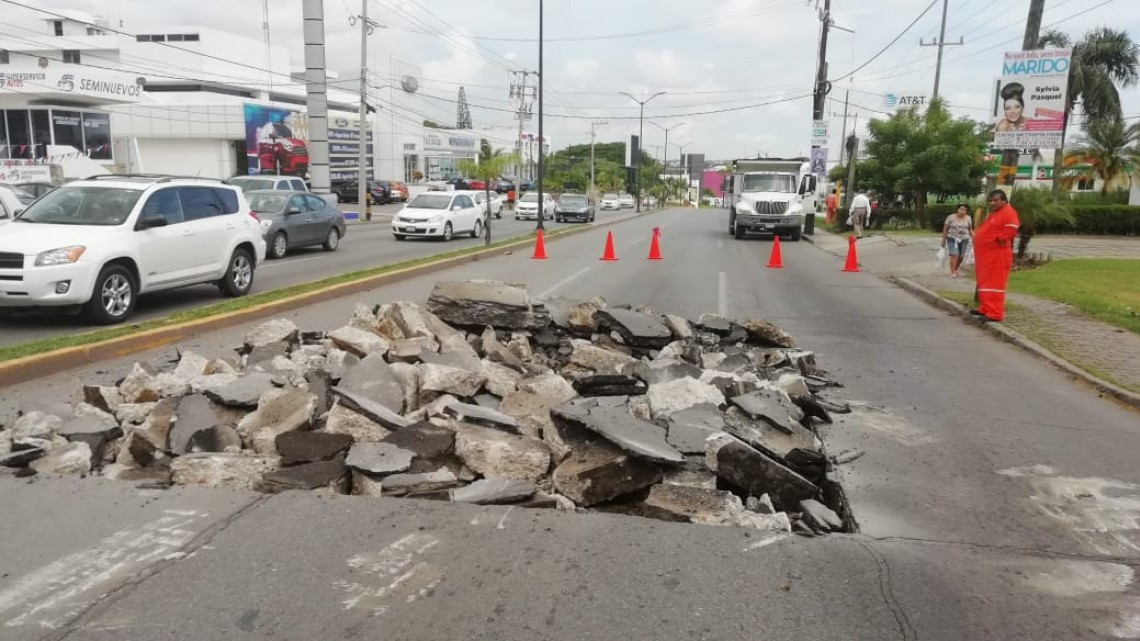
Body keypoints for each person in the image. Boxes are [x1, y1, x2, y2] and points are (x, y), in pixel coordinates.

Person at [971, 189, 1020, 322]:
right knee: (984, 281)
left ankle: (995, 312)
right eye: (990, 201)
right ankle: (985, 308)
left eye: (996, 200)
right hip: (986, 255)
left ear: (1004, 201)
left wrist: (1001, 238)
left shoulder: (1009, 212)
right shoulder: (995, 214)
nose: (992, 203)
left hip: (997, 255)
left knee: (994, 283)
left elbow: (1012, 228)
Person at [941, 203, 974, 278]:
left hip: (964, 239)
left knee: (961, 256)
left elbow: (970, 229)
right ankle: (952, 271)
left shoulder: (968, 218)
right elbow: (945, 228)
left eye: (965, 210)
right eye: (961, 209)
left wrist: (975, 237)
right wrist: (943, 240)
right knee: (955, 254)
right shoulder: (951, 217)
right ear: (957, 209)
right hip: (952, 238)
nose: (962, 211)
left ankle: (956, 269)